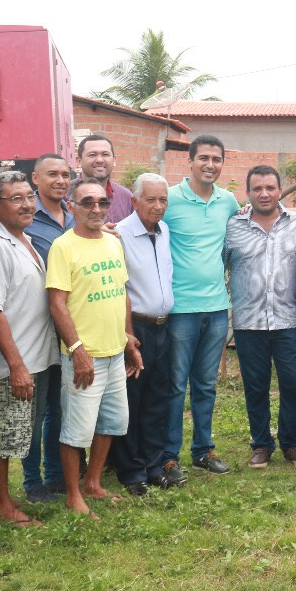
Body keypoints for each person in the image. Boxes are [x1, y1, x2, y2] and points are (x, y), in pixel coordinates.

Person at [46, 178, 143, 518]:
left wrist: (129, 338)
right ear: (71, 206)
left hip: (115, 352)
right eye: (87, 202)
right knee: (76, 429)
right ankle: (74, 494)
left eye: (102, 202)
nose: (96, 209)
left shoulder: (113, 243)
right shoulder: (64, 246)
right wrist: (77, 350)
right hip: (84, 357)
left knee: (113, 422)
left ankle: (93, 483)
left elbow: (122, 293)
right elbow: (57, 303)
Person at [0, 170, 57, 525]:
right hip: (13, 361)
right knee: (3, 433)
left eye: (29, 197)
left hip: (36, 357)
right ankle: (0, 505)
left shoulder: (22, 239)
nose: (26, 204)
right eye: (16, 198)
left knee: (17, 432)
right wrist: (16, 365)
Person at [225, 165, 296, 469]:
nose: (264, 194)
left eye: (270, 188)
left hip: (289, 320)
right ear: (247, 193)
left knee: (292, 383)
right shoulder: (233, 227)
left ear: (280, 190)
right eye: (257, 189)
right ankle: (261, 444)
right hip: (248, 322)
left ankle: (291, 444)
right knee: (255, 385)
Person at [163, 135, 241, 477]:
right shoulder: (169, 199)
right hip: (180, 309)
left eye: (217, 159)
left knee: (206, 384)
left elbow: (248, 226)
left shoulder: (228, 202)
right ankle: (168, 455)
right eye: (204, 158)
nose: (211, 164)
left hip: (216, 308)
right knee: (176, 385)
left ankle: (203, 450)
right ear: (190, 162)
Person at [110, 173, 181, 493]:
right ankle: (131, 470)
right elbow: (118, 288)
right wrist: (127, 335)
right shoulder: (119, 235)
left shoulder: (164, 230)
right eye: (150, 199)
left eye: (163, 199)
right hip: (134, 328)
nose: (158, 206)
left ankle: (153, 465)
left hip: (163, 327)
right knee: (131, 399)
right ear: (134, 202)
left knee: (157, 398)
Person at [22, 153, 73, 503]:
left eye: (65, 174)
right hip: (37, 325)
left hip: (70, 326)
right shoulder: (24, 218)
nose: (60, 180)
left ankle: (57, 475)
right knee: (36, 410)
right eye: (52, 174)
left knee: (61, 404)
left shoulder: (74, 217)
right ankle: (32, 481)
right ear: (35, 178)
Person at [77, 134, 134, 223]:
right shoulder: (65, 195)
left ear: (114, 160)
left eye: (105, 154)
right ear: (79, 161)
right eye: (92, 155)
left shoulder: (126, 197)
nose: (99, 160)